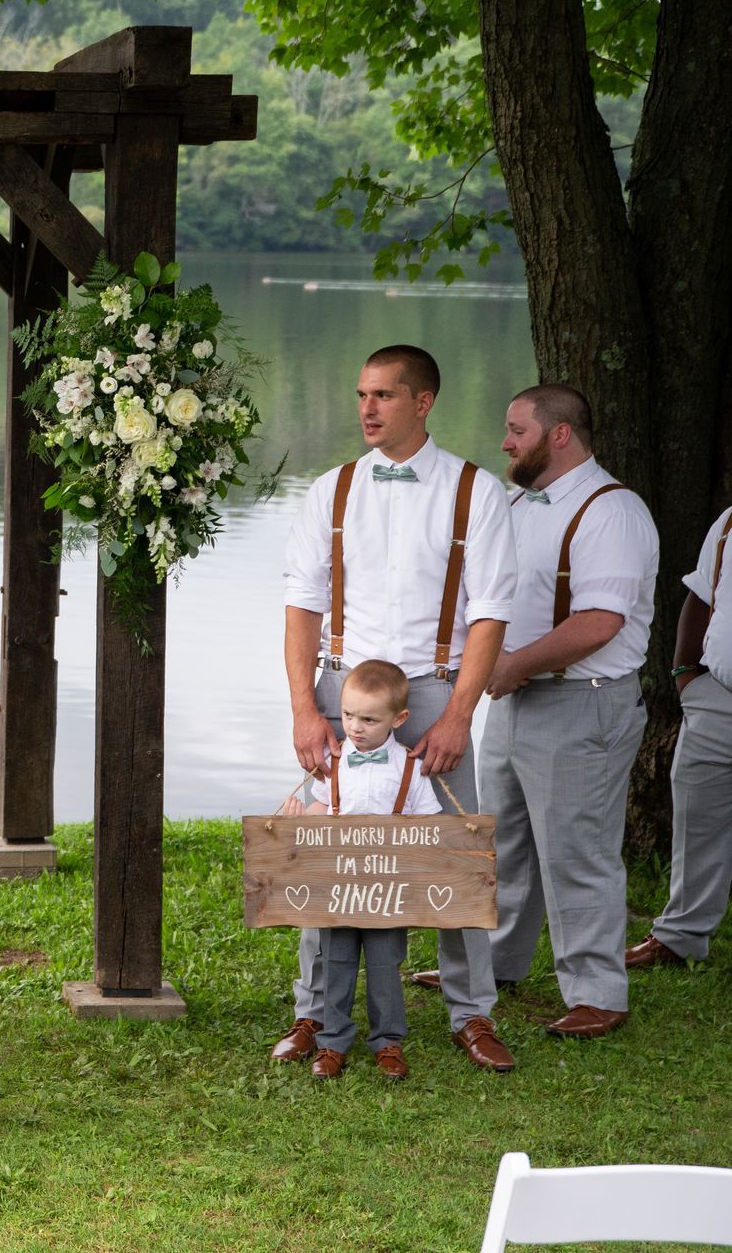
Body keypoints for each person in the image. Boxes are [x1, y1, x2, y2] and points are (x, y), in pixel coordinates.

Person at [274, 345, 519, 1073]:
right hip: (343, 694)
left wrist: (456, 715)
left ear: (424, 401)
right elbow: (303, 605)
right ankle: (315, 1013)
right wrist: (302, 709)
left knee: (457, 857)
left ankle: (471, 1014)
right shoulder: (332, 491)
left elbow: (492, 613)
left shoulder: (476, 491)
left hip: (435, 687)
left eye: (383, 394)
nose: (367, 409)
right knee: (325, 855)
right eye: (361, 394)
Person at [480, 385, 656, 1038]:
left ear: (559, 435)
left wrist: (510, 665)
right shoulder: (521, 500)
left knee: (576, 851)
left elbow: (599, 623)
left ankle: (599, 992)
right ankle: (493, 963)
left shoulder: (612, 511)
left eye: (515, 429)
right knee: (501, 840)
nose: (505, 441)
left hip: (582, 704)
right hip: (517, 695)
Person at [279, 660, 441, 1080]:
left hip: (387, 890)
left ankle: (388, 1041)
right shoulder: (332, 763)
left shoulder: (410, 767)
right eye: (349, 715)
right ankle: (332, 1042)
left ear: (398, 719)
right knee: (335, 963)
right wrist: (299, 823)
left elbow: (430, 826)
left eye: (369, 719)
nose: (355, 727)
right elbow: (323, 808)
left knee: (386, 967)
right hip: (339, 889)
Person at [625, 497, 732, 971]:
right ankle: (680, 937)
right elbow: (701, 595)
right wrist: (687, 674)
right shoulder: (729, 520)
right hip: (716, 700)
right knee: (697, 819)